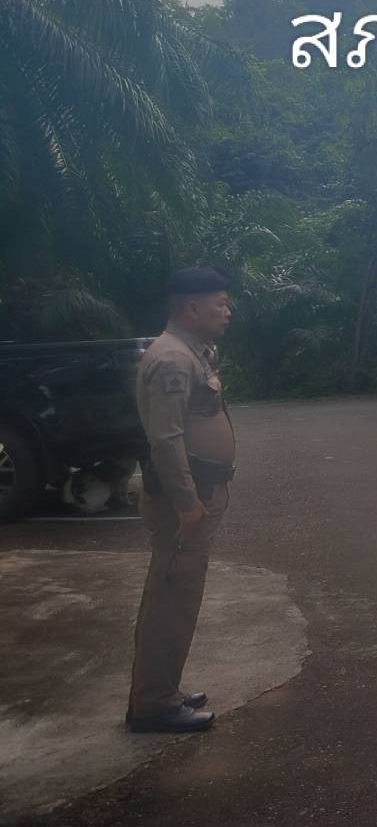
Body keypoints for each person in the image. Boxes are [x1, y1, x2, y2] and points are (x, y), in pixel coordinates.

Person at [126, 266, 236, 733]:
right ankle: (154, 705)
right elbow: (166, 440)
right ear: (192, 308)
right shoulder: (173, 358)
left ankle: (159, 690)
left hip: (195, 496)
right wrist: (189, 504)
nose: (228, 312)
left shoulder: (191, 351)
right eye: (220, 304)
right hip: (182, 505)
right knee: (172, 599)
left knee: (175, 595)